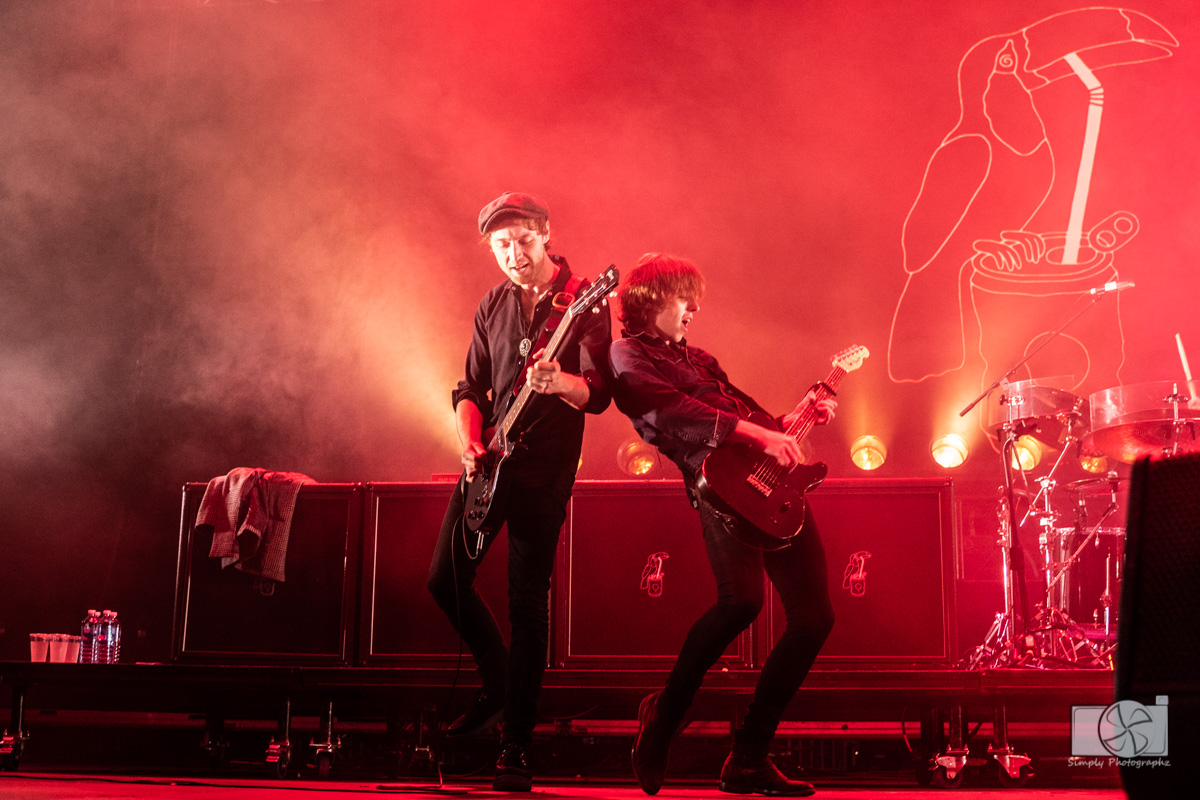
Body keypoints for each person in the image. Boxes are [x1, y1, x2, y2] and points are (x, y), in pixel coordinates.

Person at [608, 253, 837, 797]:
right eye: (682, 298)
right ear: (650, 300)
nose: (693, 308)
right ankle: (665, 714)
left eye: (695, 299)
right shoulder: (627, 354)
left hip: (768, 486)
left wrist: (793, 419)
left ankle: (749, 757)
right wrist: (760, 435)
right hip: (719, 488)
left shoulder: (701, 358)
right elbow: (667, 411)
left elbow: (752, 422)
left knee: (815, 617)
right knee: (742, 603)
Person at [427, 192, 611, 791]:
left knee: (527, 601)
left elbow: (599, 395)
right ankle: (498, 679)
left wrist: (560, 383)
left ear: (546, 233)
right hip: (489, 461)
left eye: (523, 242)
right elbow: (470, 388)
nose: (513, 255)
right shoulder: (492, 304)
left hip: (543, 470)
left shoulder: (583, 300)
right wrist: (468, 442)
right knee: (444, 580)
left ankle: (517, 746)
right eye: (501, 246)